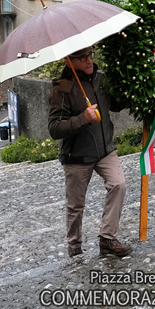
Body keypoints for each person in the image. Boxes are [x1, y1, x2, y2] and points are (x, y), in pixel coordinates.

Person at [48, 47, 132, 258]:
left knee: (118, 184)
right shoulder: (62, 90)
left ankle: (107, 238)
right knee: (76, 205)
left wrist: (130, 90)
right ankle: (74, 247)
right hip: (76, 156)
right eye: (82, 58)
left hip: (105, 150)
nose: (88, 60)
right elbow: (54, 129)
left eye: (90, 55)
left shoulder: (100, 79)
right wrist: (82, 119)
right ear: (69, 61)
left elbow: (115, 105)